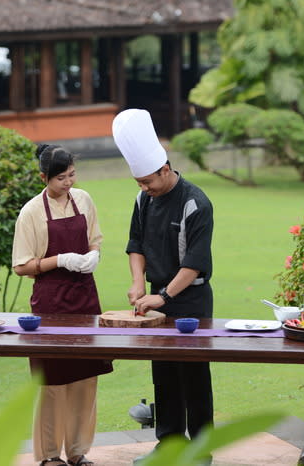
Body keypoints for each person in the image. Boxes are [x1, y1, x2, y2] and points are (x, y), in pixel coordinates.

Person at [112, 109, 215, 465]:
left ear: (165, 170)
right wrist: (139, 283)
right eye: (139, 183)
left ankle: (201, 449)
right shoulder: (143, 199)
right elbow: (135, 244)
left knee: (194, 374)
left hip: (192, 298)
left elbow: (194, 264)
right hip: (156, 297)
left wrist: (165, 295)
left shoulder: (195, 203)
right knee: (164, 372)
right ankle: (169, 444)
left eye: (148, 182)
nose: (144, 189)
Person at [12, 144, 113, 466]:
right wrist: (60, 260)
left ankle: (79, 451)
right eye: (60, 178)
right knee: (53, 379)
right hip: (51, 301)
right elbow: (21, 266)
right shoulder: (31, 212)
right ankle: (50, 455)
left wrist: (93, 255)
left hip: (85, 297)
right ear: (43, 177)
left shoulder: (84, 200)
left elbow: (95, 238)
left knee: (86, 377)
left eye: (71, 175)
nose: (68, 183)